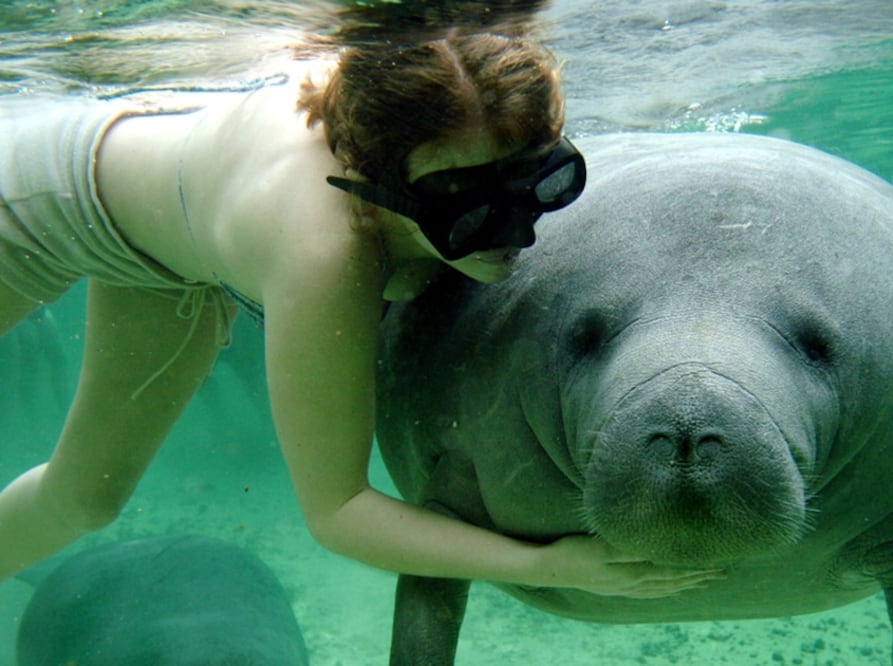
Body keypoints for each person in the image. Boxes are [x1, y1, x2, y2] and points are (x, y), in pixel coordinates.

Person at [0, 3, 719, 597]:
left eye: (539, 183)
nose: (515, 229)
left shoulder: (424, 133)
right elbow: (339, 512)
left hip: (164, 250)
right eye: (463, 212)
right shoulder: (323, 249)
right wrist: (547, 566)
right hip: (29, 204)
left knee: (84, 499)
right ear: (372, 193)